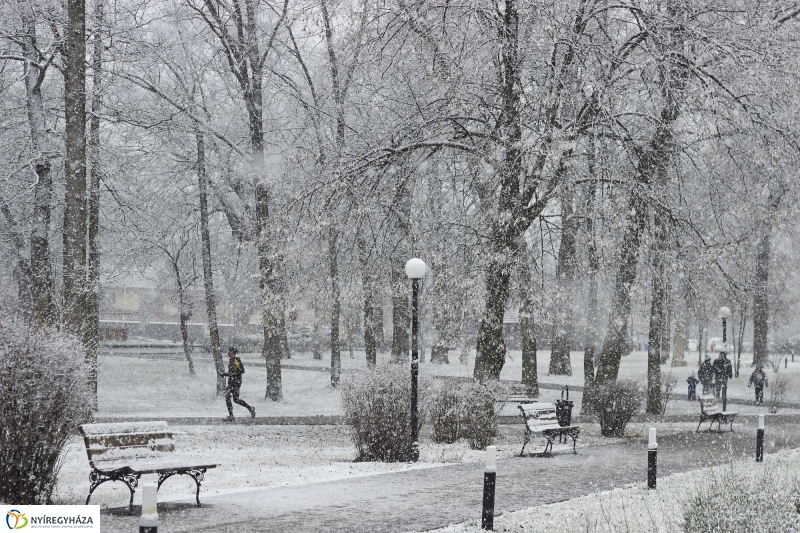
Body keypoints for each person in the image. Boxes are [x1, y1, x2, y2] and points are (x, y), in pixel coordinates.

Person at [222, 346, 255, 421]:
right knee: (229, 397)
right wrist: (225, 374)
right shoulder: (231, 360)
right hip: (231, 382)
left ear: (232, 352)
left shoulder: (236, 360)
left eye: (229, 351)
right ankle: (232, 415)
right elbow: (231, 372)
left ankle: (250, 409)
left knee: (234, 399)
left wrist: (232, 374)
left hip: (236, 382)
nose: (228, 352)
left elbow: (242, 371)